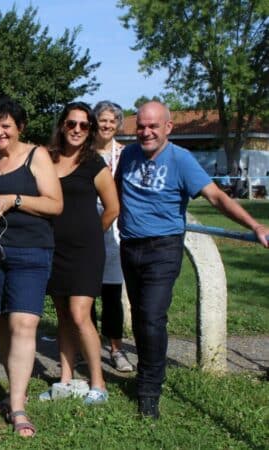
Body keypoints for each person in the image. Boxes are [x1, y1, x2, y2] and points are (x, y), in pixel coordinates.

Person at [116, 101, 269, 419]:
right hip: (130, 246)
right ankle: (148, 374)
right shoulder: (129, 155)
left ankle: (149, 391)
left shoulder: (181, 160)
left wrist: (254, 225)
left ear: (168, 128)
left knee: (152, 317)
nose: (145, 132)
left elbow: (217, 197)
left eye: (153, 126)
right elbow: (115, 192)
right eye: (141, 126)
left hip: (163, 248)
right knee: (144, 317)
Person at [0, 97, 62, 437]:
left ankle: (18, 409)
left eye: (6, 125)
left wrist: (15, 200)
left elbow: (56, 204)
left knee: (24, 323)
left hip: (31, 251)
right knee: (1, 324)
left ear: (20, 128)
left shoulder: (36, 156)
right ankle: (17, 390)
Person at [43, 102, 118, 406]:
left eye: (84, 125)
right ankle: (65, 379)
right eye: (71, 124)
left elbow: (113, 208)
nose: (76, 130)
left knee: (79, 314)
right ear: (62, 125)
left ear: (90, 131)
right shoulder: (46, 159)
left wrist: (91, 234)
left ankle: (98, 384)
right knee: (62, 316)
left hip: (86, 251)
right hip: (53, 249)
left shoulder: (94, 164)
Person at [91, 100, 133, 372]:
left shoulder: (127, 154)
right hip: (86, 228)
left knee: (112, 293)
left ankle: (116, 349)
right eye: (102, 120)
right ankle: (88, 346)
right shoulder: (84, 153)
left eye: (111, 121)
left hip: (115, 230)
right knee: (85, 294)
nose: (106, 125)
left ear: (118, 124)